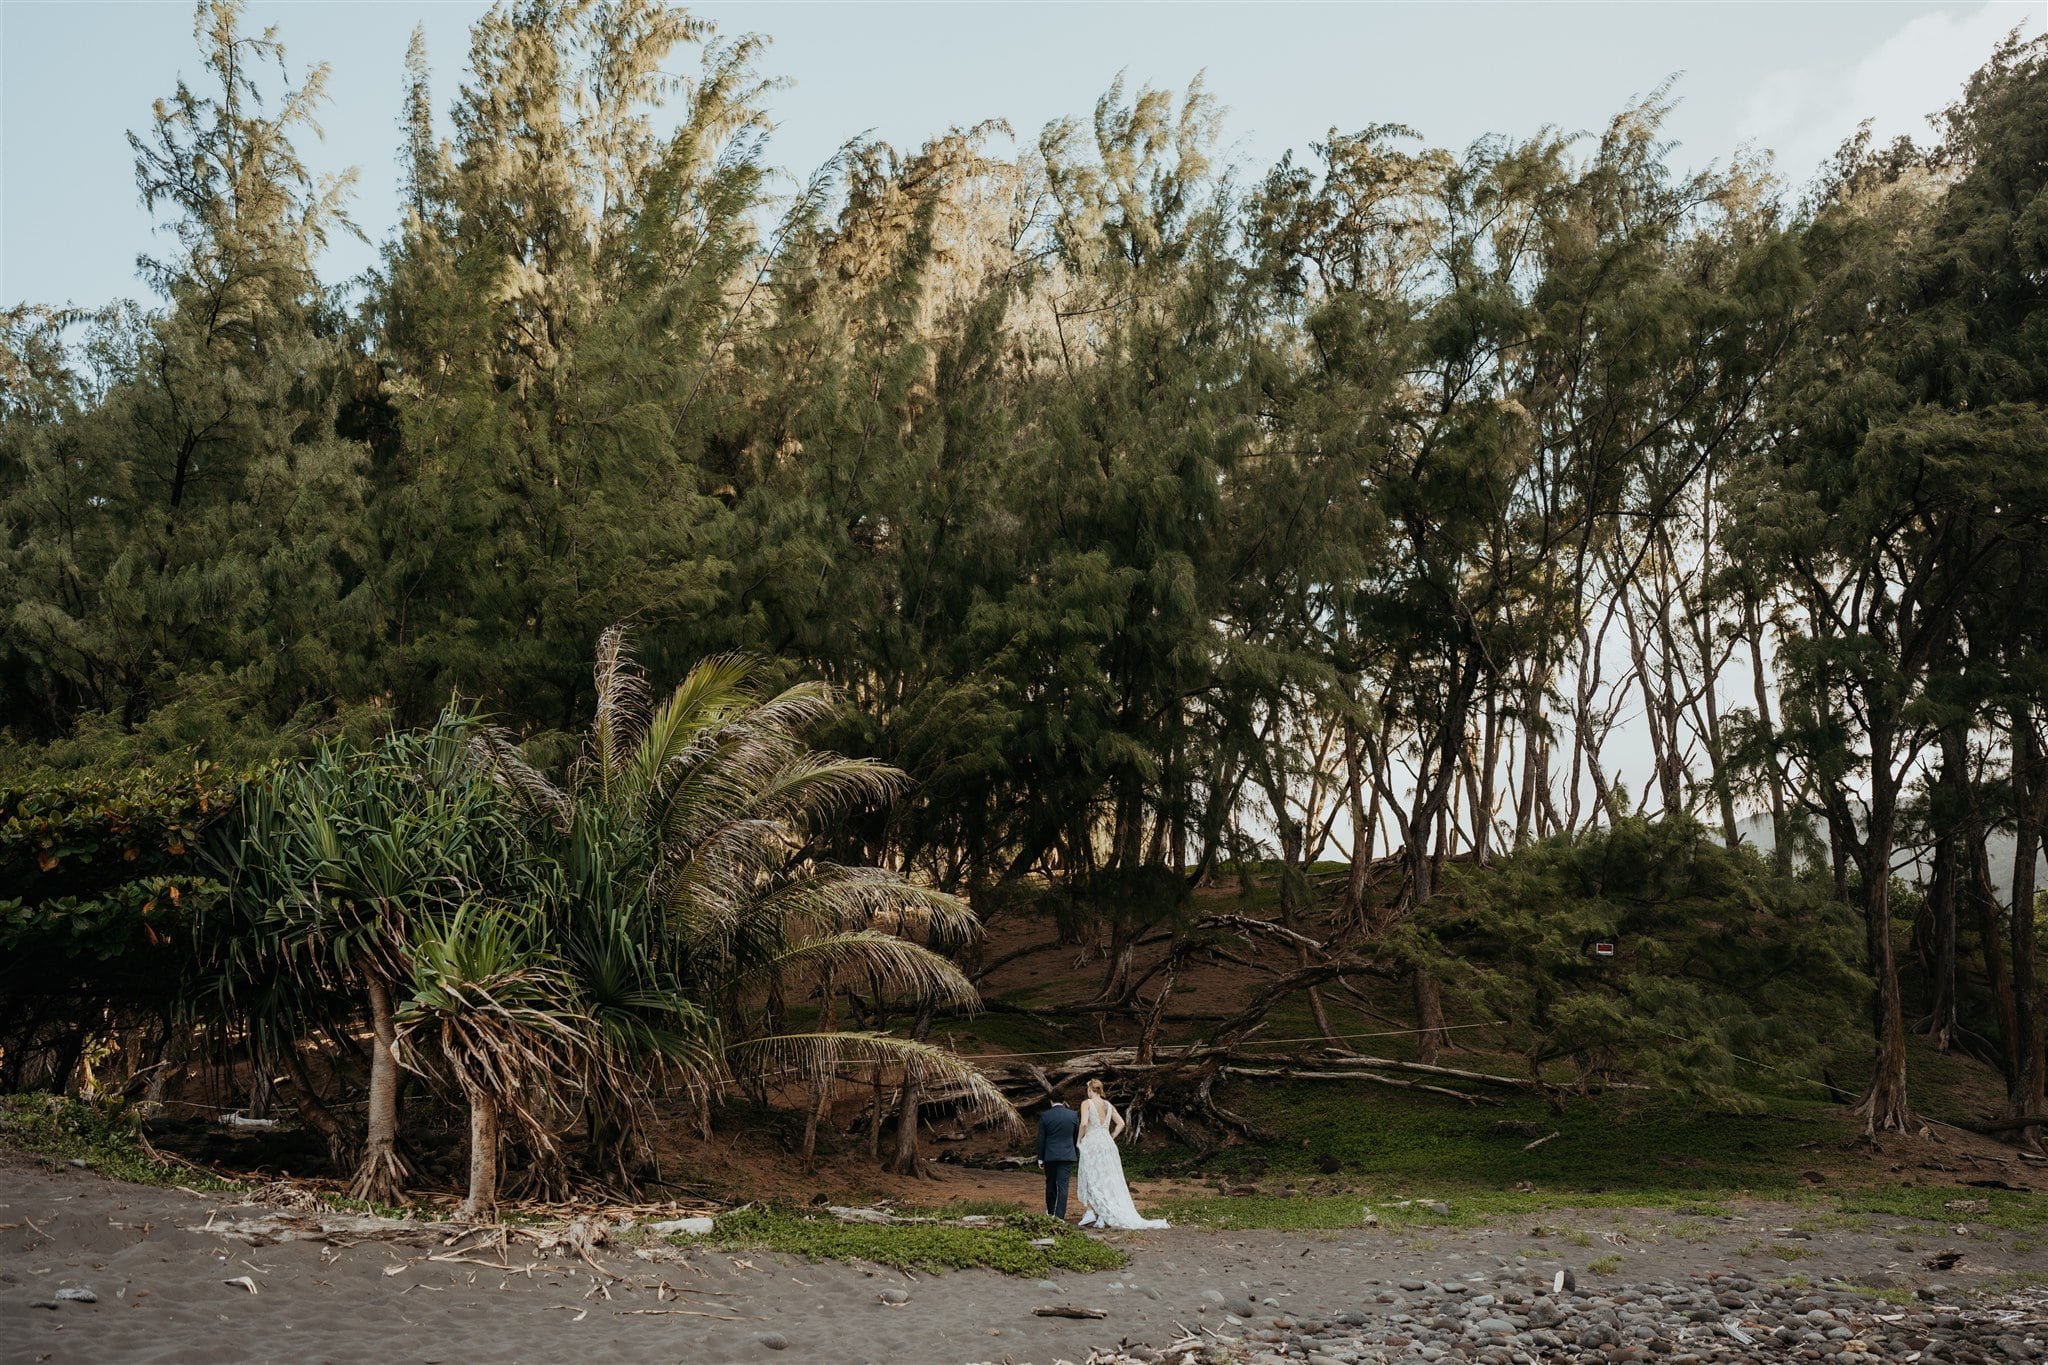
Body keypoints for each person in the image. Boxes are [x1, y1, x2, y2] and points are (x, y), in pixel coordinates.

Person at [1073, 1078, 1169, 1229]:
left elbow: (1084, 1123)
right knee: (1107, 1178)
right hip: (1107, 1143)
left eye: (1088, 1089)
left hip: (1092, 1142)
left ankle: (1093, 1212)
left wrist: (1079, 1140)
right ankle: (1101, 1216)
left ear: (1090, 1090)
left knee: (1091, 1176)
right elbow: (1121, 1124)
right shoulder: (1109, 1105)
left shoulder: (1087, 1103)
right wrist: (1110, 1136)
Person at [1035, 1094, 1080, 1219]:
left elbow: (1041, 1139)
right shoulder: (1073, 1115)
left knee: (1050, 1183)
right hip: (1067, 1154)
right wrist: (1075, 1152)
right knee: (1063, 1185)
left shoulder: (1045, 1115)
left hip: (1050, 1155)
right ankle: (1060, 1217)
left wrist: (1040, 1157)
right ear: (1064, 1101)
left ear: (1051, 1101)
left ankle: (1050, 1212)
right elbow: (1075, 1136)